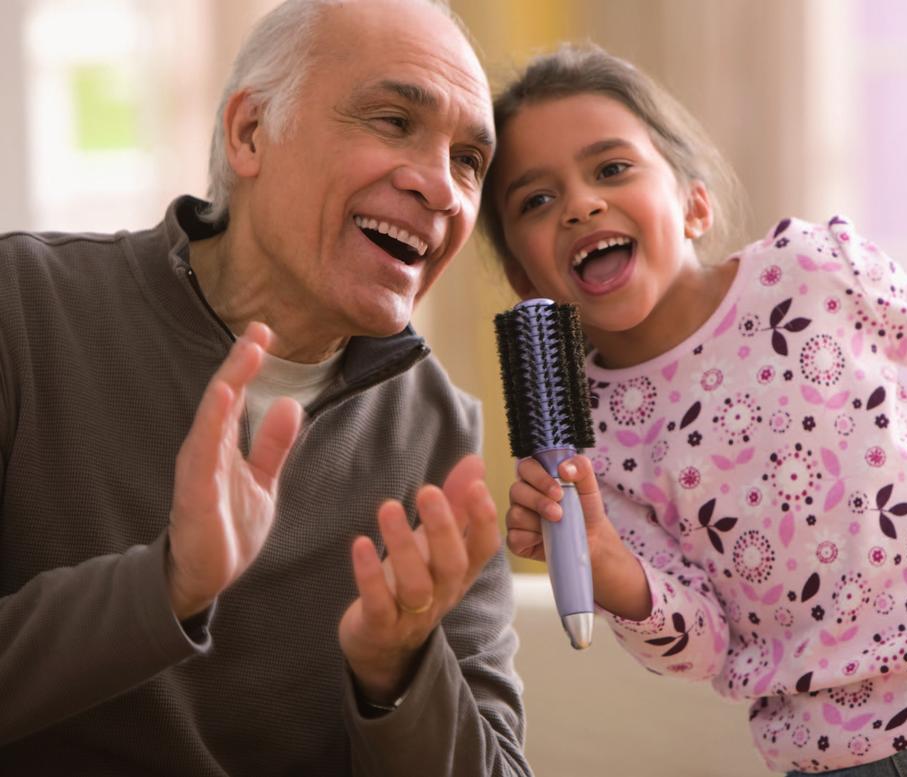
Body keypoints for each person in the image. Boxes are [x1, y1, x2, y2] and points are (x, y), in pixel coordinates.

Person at [0, 1, 532, 775]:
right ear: (250, 132)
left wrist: (399, 675)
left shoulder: (439, 433)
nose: (444, 191)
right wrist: (167, 586)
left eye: (469, 162)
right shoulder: (22, 308)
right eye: (392, 121)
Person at [481, 44, 907, 776]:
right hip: (831, 756)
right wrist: (609, 568)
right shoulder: (591, 438)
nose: (580, 204)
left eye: (611, 169)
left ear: (694, 202)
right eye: (536, 200)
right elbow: (701, 642)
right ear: (524, 278)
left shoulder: (808, 273)